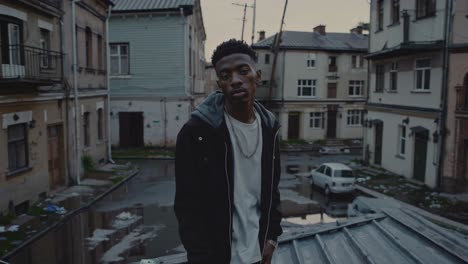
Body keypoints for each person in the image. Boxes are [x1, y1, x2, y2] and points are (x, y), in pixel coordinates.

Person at [174, 39, 282, 264]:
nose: (235, 81)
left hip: (258, 254)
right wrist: (201, 257)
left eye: (243, 72)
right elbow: (187, 205)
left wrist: (272, 237)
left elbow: (272, 190)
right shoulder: (197, 132)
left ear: (257, 75)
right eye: (226, 76)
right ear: (219, 84)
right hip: (217, 257)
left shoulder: (270, 127)